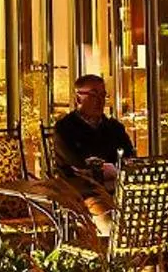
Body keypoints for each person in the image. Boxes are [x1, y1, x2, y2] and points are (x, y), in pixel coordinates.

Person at [52, 73, 137, 230]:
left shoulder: (114, 127)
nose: (100, 101)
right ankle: (110, 250)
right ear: (78, 99)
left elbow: (129, 157)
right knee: (112, 225)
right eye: (93, 94)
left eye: (103, 95)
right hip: (83, 191)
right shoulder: (65, 128)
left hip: (118, 189)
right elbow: (77, 164)